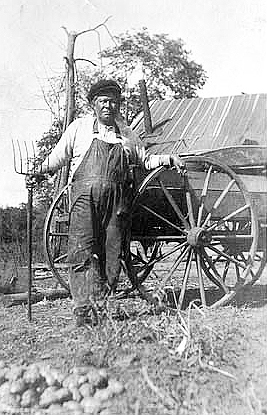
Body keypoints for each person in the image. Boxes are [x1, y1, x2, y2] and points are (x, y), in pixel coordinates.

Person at [40, 79, 184, 327]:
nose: (108, 106)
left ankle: (102, 306)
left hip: (117, 202)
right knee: (82, 250)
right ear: (93, 104)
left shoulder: (126, 133)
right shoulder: (79, 128)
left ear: (118, 105)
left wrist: (168, 158)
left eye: (113, 102)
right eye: (103, 101)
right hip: (84, 200)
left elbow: (144, 160)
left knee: (112, 252)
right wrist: (38, 172)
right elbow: (57, 158)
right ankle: (83, 311)